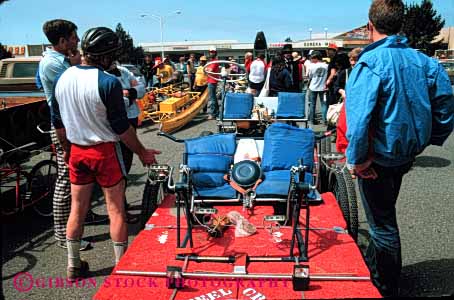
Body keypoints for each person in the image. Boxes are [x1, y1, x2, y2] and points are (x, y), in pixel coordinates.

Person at [346, 0, 454, 296]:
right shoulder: (425, 62)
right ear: (400, 23)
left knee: (382, 224)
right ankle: (376, 269)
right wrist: (429, 138)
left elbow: (358, 122)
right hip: (405, 153)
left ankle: (385, 285)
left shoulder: (369, 63)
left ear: (370, 26)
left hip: (378, 158)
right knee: (384, 213)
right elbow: (446, 106)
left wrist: (357, 161)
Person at [51, 27, 161, 281]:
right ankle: (121, 267)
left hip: (77, 150)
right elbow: (122, 129)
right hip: (104, 152)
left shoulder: (62, 78)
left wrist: (68, 152)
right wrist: (143, 152)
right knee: (116, 210)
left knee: (76, 209)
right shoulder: (108, 82)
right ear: (106, 55)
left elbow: (58, 123)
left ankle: (73, 265)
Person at [38, 19, 92, 251]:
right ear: (62, 41)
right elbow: (77, 85)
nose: (77, 41)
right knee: (65, 179)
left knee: (82, 175)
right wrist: (79, 64)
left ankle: (82, 218)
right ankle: (63, 235)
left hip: (75, 124)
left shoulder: (62, 61)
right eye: (73, 37)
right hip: (63, 127)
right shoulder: (53, 64)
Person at [106, 62, 145, 223]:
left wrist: (130, 92)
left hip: (131, 119)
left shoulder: (123, 71)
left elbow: (141, 88)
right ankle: (119, 210)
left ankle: (122, 204)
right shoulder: (104, 77)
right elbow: (117, 103)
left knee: (126, 164)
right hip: (117, 124)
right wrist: (129, 96)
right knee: (118, 167)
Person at [334, 48, 362, 154]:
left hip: (361, 105)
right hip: (348, 105)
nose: (353, 62)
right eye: (351, 60)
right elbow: (336, 86)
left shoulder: (366, 72)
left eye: (356, 59)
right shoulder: (345, 72)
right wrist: (342, 92)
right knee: (345, 128)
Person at [307, 51, 328, 124]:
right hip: (323, 87)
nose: (311, 60)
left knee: (312, 104)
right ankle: (325, 120)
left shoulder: (311, 66)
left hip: (313, 87)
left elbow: (309, 76)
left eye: (312, 58)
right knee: (324, 104)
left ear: (316, 58)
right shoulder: (326, 66)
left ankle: (312, 120)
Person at [206, 47, 220, 120]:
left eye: (213, 52)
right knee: (213, 97)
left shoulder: (215, 61)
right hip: (210, 80)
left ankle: (213, 114)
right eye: (211, 52)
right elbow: (206, 70)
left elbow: (209, 70)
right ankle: (216, 112)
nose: (212, 53)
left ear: (215, 53)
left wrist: (207, 69)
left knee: (212, 98)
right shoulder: (211, 61)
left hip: (212, 81)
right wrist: (207, 69)